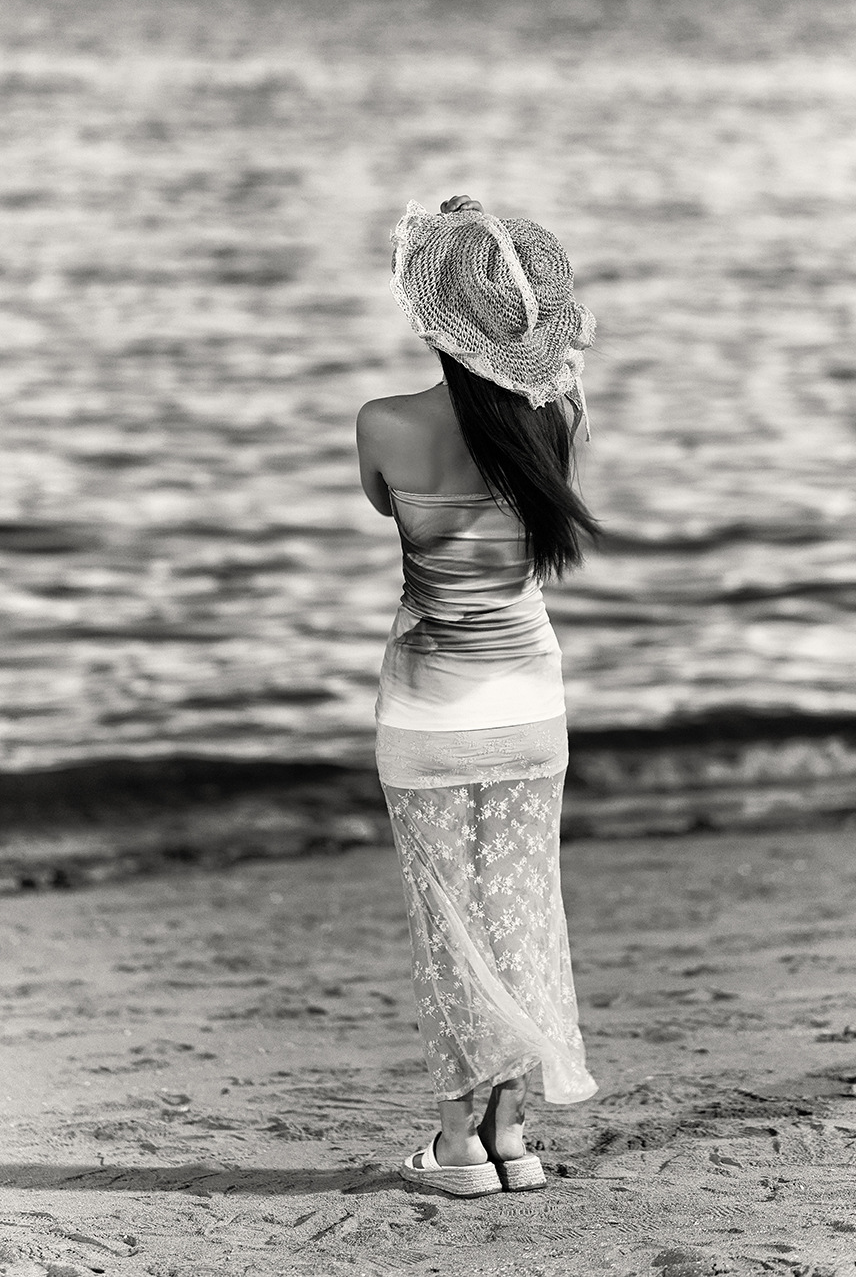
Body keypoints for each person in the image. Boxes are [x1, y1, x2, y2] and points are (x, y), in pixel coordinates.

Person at [356, 192, 600, 1199]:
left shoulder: (383, 423)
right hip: (529, 703)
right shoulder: (558, 421)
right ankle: (512, 1136)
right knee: (518, 910)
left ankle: (461, 1144)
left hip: (427, 708)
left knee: (447, 923)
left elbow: (386, 504)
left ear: (431, 318)